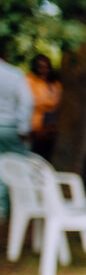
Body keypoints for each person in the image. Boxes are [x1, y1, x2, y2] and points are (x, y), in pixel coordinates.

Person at [0, 42, 33, 217]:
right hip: (10, 126)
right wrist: (23, 128)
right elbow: (26, 102)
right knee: (19, 165)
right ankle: (22, 207)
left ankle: (2, 209)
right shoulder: (14, 74)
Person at [26, 54, 61, 161]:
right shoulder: (30, 79)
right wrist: (48, 102)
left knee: (47, 154)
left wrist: (47, 102)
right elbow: (31, 100)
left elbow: (58, 100)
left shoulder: (54, 83)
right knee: (34, 154)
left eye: (46, 67)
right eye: (40, 66)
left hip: (51, 123)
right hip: (36, 124)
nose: (44, 69)